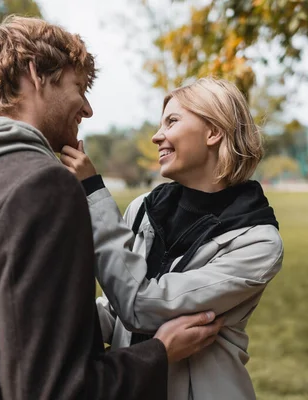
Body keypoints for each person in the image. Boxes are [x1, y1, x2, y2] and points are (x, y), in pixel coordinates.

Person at [0, 16, 223, 400]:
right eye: (79, 87)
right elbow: (58, 389)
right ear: (36, 74)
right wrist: (159, 352)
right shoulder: (40, 185)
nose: (87, 109)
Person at [60, 78, 284, 400]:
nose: (156, 136)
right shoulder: (143, 209)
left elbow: (141, 305)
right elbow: (115, 311)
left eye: (172, 121)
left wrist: (93, 193)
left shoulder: (257, 243)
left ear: (213, 132)